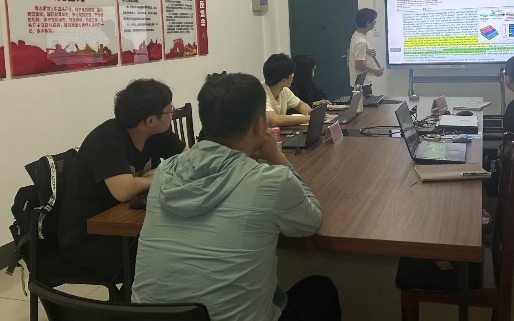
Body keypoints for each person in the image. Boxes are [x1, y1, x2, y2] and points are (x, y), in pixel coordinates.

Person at [132, 73, 341, 321]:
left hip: (148, 318)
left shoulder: (165, 172)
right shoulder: (271, 181)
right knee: (321, 289)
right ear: (260, 125)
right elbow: (312, 221)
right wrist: (279, 159)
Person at [58, 79, 186, 282]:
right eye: (170, 111)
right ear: (151, 120)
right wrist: (162, 173)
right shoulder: (106, 140)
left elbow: (188, 161)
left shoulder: (157, 133)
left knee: (184, 243)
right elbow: (124, 191)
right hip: (90, 237)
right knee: (168, 257)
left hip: (124, 221)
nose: (173, 115)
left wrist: (146, 178)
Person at [263, 53, 312, 127]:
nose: (293, 78)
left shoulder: (284, 89)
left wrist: (308, 111)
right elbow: (274, 120)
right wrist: (308, 118)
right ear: (283, 80)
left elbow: (299, 104)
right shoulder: (260, 93)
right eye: (291, 75)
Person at [348, 8, 383, 96]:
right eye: (374, 20)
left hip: (359, 82)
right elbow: (359, 65)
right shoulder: (361, 42)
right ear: (368, 23)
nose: (375, 22)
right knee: (364, 104)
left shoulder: (357, 35)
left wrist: (369, 54)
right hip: (362, 83)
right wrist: (375, 71)